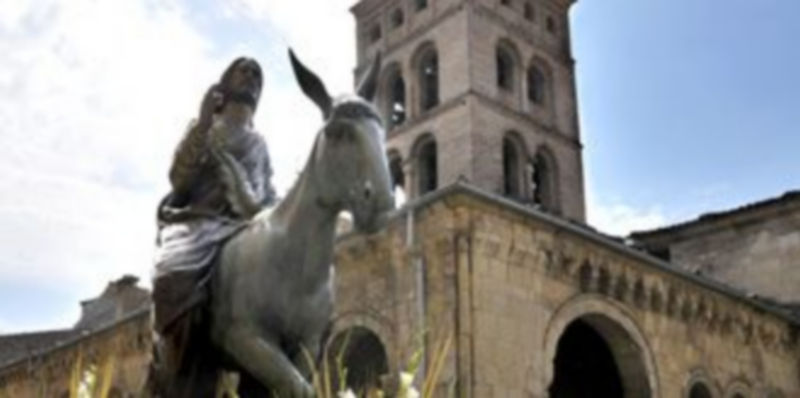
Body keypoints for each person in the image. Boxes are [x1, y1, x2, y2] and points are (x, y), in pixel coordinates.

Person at [147, 57, 276, 396]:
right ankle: (182, 358)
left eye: (257, 75)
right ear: (227, 81)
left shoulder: (259, 144)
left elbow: (267, 195)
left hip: (245, 229)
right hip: (198, 225)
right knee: (176, 276)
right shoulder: (204, 129)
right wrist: (204, 122)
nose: (251, 77)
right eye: (243, 71)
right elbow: (179, 178)